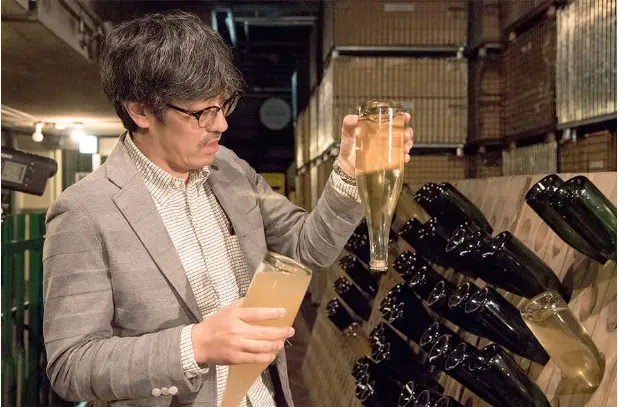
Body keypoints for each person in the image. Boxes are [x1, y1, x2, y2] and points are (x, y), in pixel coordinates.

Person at [42, 10, 414, 407]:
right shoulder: (85, 211)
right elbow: (71, 366)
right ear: (140, 111)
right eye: (202, 112)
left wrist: (350, 173)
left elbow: (309, 248)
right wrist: (196, 344)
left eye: (224, 105)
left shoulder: (230, 170)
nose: (221, 125)